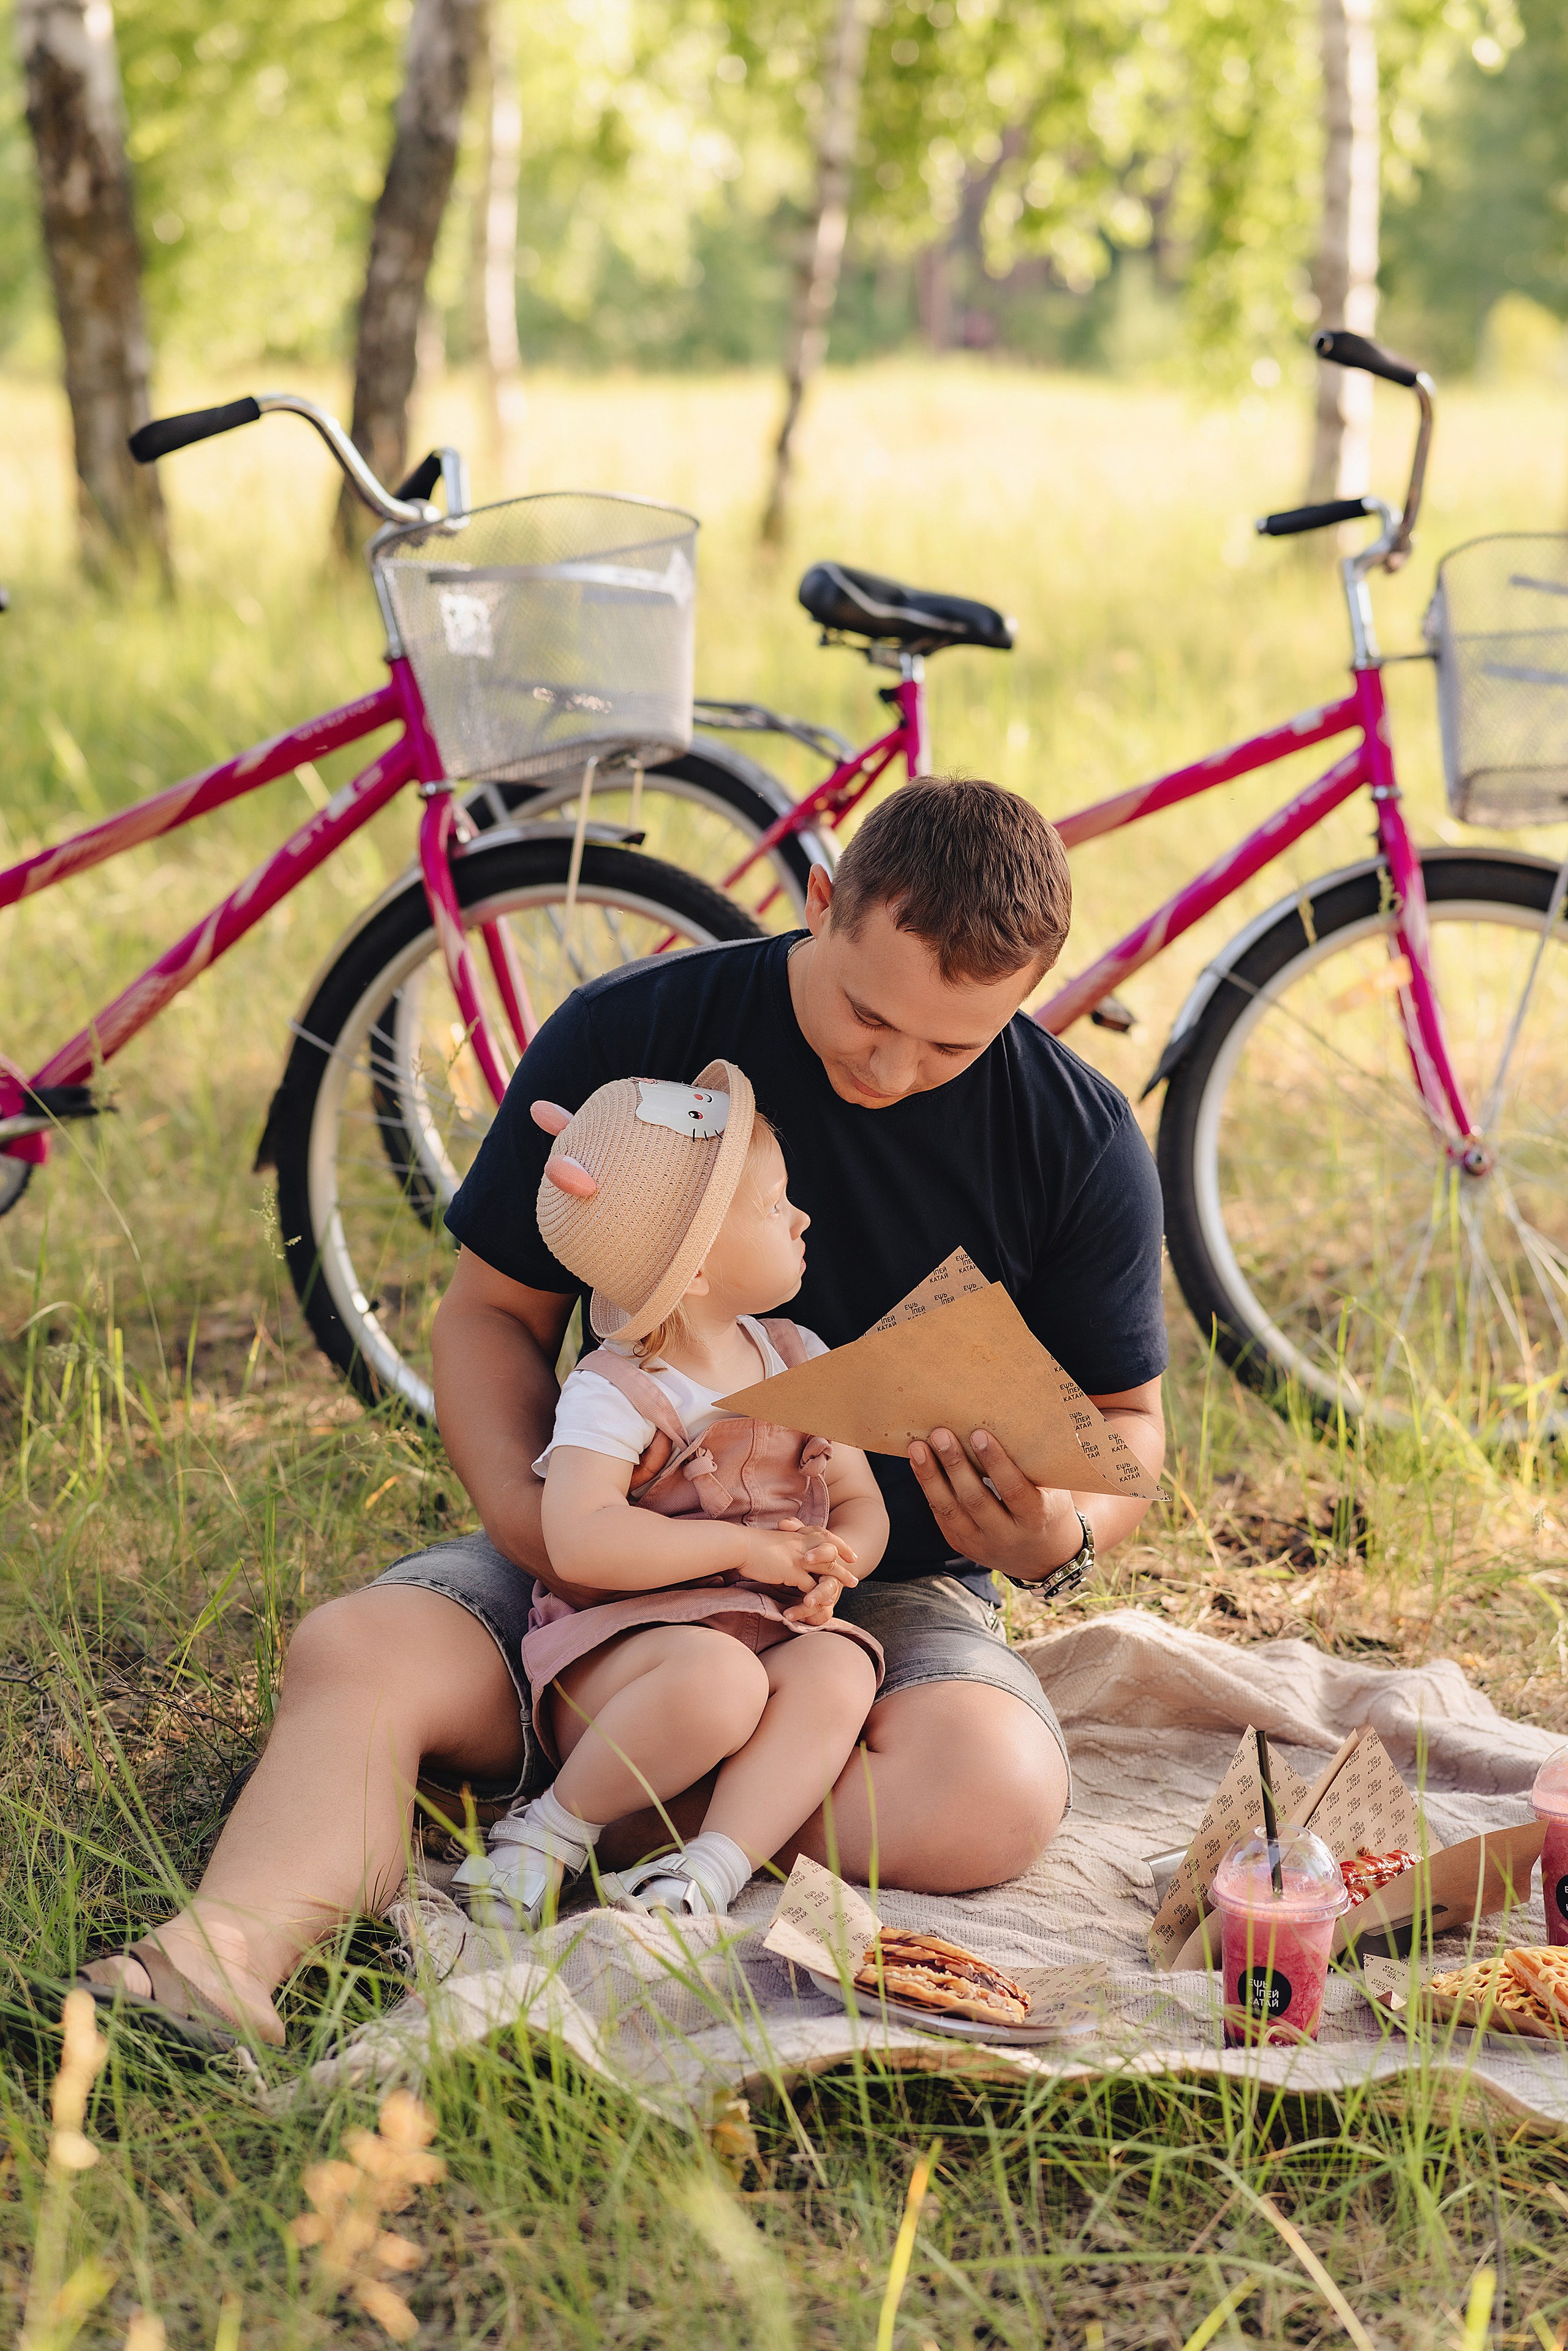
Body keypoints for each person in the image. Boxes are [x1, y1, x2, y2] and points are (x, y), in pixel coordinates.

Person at [77, 775, 1167, 2048]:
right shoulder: (637, 1030)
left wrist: (1057, 1536)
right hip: (602, 1558)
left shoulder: (1077, 1135)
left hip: (876, 1604)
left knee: (995, 1791)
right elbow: (490, 1316)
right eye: (868, 1014)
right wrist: (537, 1525)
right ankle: (221, 1956)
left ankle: (560, 1805)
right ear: (818, 901)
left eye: (951, 1047)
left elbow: (1123, 1424)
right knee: (360, 1649)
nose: (890, 1067)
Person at [457, 1064, 888, 1925]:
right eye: (775, 1207)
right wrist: (747, 1548)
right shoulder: (620, 1391)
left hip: (764, 1633)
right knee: (719, 1678)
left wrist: (835, 1562)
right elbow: (581, 1539)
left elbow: (858, 1502)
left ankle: (709, 1870)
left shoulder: (799, 1357)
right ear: (691, 1272)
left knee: (840, 1666)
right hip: (628, 1668)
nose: (802, 1216)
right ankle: (547, 1834)